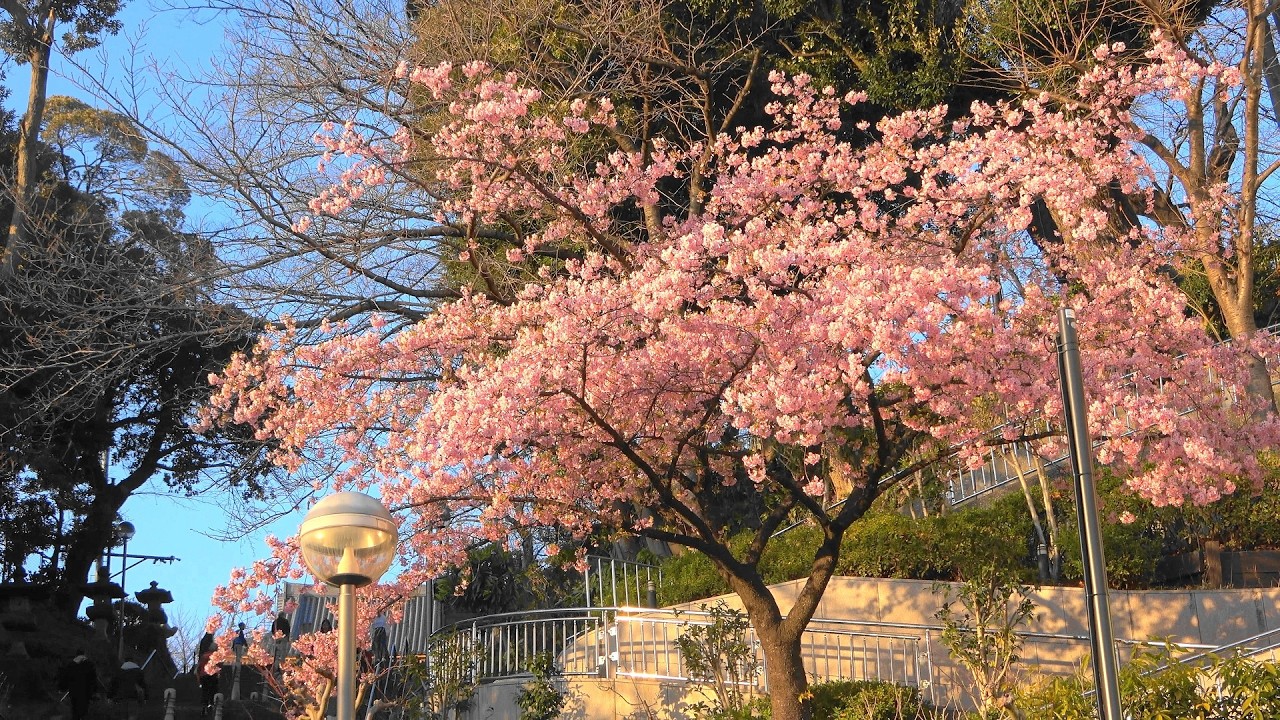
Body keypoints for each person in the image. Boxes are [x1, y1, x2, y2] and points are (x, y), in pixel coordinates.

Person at [56, 649, 98, 720]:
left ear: (76, 655)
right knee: (84, 710)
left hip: (74, 691)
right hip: (86, 691)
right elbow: (93, 679)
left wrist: (61, 688)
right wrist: (95, 691)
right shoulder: (90, 664)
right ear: (84, 654)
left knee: (75, 710)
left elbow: (66, 677)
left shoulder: (71, 665)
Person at [196, 632, 220, 714]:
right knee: (213, 690)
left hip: (203, 675)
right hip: (212, 675)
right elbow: (217, 666)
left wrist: (198, 678)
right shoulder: (215, 656)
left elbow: (199, 667)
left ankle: (204, 706)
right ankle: (212, 704)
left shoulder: (204, 656)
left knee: (205, 691)